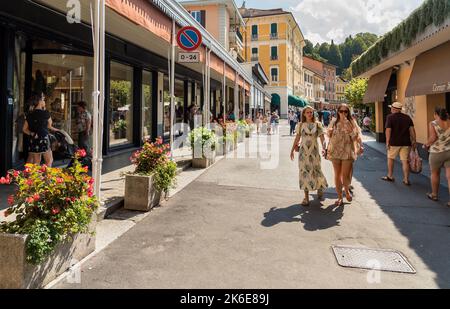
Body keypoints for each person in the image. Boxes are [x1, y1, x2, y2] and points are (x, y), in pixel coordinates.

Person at [290, 106, 328, 206]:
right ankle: (306, 198)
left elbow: (322, 138)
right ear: (304, 114)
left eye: (311, 112)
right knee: (304, 173)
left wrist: (324, 147)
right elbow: (297, 138)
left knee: (316, 171)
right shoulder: (300, 125)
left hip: (314, 152)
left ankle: (320, 187)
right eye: (308, 112)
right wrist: (292, 150)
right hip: (303, 152)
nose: (310, 114)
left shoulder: (318, 124)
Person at [327, 104, 363, 206]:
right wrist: (330, 132)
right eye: (341, 111)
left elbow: (355, 137)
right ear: (338, 112)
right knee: (337, 175)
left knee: (345, 174)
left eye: (345, 111)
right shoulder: (334, 121)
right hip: (335, 151)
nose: (343, 113)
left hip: (347, 151)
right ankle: (339, 197)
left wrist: (350, 130)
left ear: (348, 112)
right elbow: (328, 135)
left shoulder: (352, 122)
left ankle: (346, 190)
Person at [382, 102, 417, 186]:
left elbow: (388, 130)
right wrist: (414, 141)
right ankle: (406, 179)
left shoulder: (390, 117)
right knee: (405, 161)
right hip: (406, 142)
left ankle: (390, 175)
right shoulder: (407, 117)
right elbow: (412, 130)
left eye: (391, 108)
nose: (391, 110)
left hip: (394, 142)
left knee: (390, 158)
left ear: (393, 109)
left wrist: (387, 142)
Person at [22, 94, 59, 166]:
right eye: (43, 100)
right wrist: (59, 130)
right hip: (44, 139)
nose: (44, 101)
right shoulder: (45, 113)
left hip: (34, 139)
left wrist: (32, 133)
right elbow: (49, 126)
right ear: (39, 101)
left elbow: (24, 129)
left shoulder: (30, 114)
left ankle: (36, 177)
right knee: (49, 161)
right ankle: (46, 177)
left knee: (36, 163)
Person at [424, 107, 450, 207]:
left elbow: (433, 138)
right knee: (449, 177)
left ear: (436, 114)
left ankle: (434, 194)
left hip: (437, 153)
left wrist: (426, 144)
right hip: (449, 151)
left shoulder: (433, 123)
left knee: (435, 174)